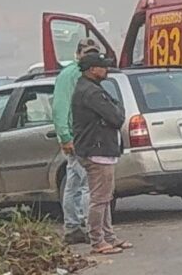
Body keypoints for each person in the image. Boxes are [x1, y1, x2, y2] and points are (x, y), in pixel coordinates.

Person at [68, 49, 128, 255]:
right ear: (93, 70)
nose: (107, 69)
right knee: (99, 198)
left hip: (100, 149)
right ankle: (97, 241)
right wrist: (117, 108)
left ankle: (109, 237)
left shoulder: (90, 88)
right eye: (103, 66)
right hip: (97, 150)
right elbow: (117, 117)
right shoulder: (91, 92)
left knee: (105, 196)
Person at [49, 50, 89, 244]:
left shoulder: (86, 73)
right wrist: (65, 137)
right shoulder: (69, 75)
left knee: (74, 183)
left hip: (81, 136)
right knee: (85, 184)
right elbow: (60, 108)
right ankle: (85, 226)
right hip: (77, 137)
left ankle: (74, 227)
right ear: (77, 54)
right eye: (87, 53)